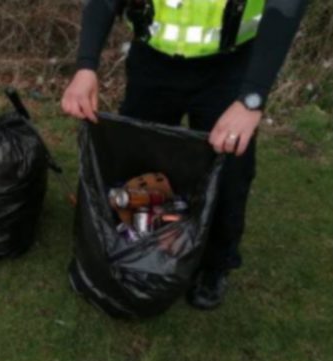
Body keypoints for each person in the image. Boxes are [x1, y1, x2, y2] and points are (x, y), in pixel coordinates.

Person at [62, 0, 308, 310]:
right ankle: (135, 248)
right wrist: (86, 65)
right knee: (138, 162)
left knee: (230, 171)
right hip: (152, 61)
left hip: (230, 67)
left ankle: (216, 264)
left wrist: (252, 99)